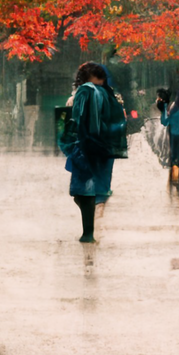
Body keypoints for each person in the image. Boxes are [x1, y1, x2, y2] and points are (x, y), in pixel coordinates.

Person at [62, 61, 126, 243]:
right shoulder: (80, 97)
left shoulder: (104, 96)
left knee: (88, 192)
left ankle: (89, 234)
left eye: (99, 85)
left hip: (95, 148)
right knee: (80, 193)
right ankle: (91, 229)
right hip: (87, 148)